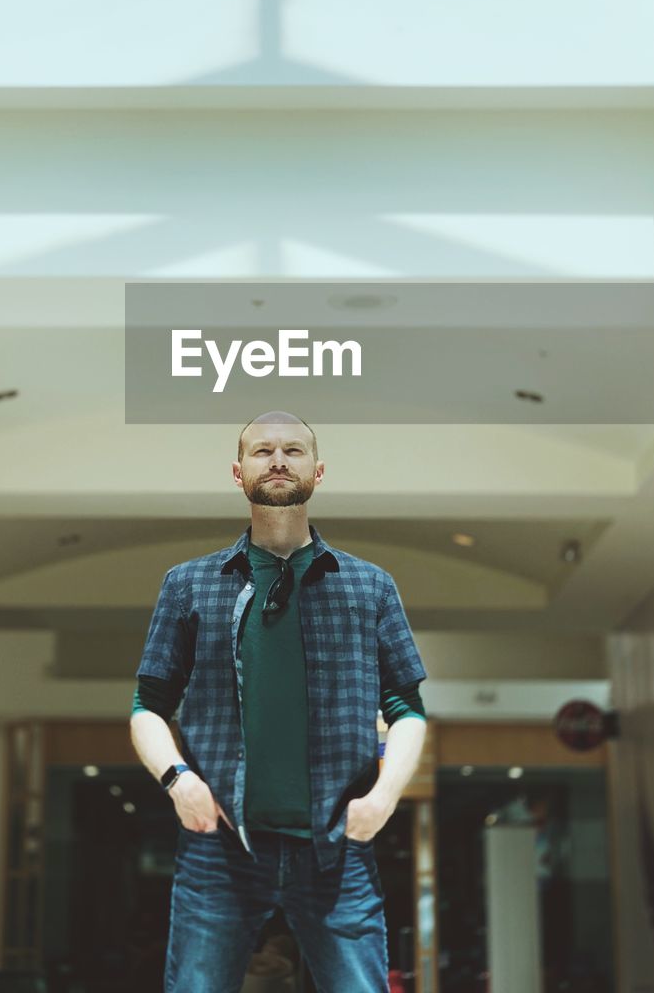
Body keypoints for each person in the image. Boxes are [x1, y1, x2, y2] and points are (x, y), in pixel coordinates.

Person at [130, 411, 428, 992]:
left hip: (338, 845)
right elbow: (148, 705)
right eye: (263, 450)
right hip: (219, 847)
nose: (278, 459)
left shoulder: (369, 586)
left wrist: (384, 798)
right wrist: (177, 779)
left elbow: (408, 709)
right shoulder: (189, 584)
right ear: (238, 473)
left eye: (292, 450)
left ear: (317, 470)